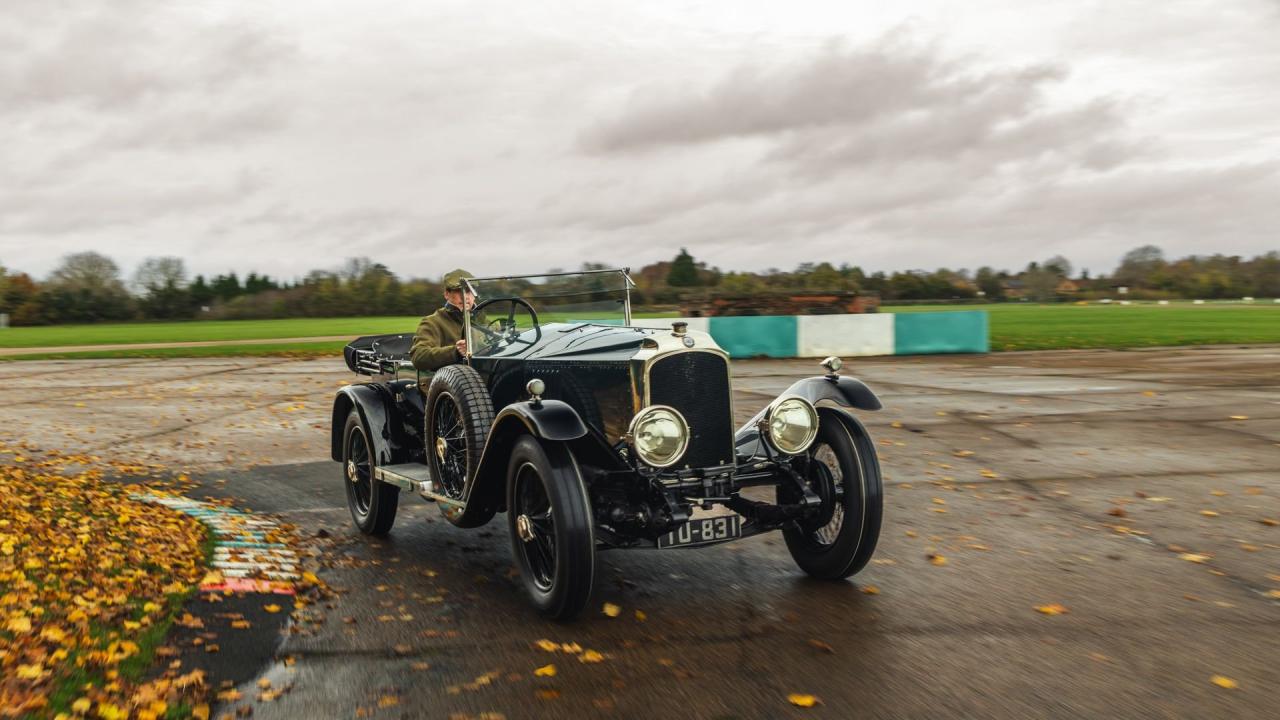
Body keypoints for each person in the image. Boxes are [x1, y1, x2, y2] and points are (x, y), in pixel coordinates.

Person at [410, 268, 477, 372]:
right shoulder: (432, 322)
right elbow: (419, 356)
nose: (465, 297)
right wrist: (456, 351)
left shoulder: (484, 321)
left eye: (469, 291)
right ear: (447, 294)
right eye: (459, 291)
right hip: (451, 384)